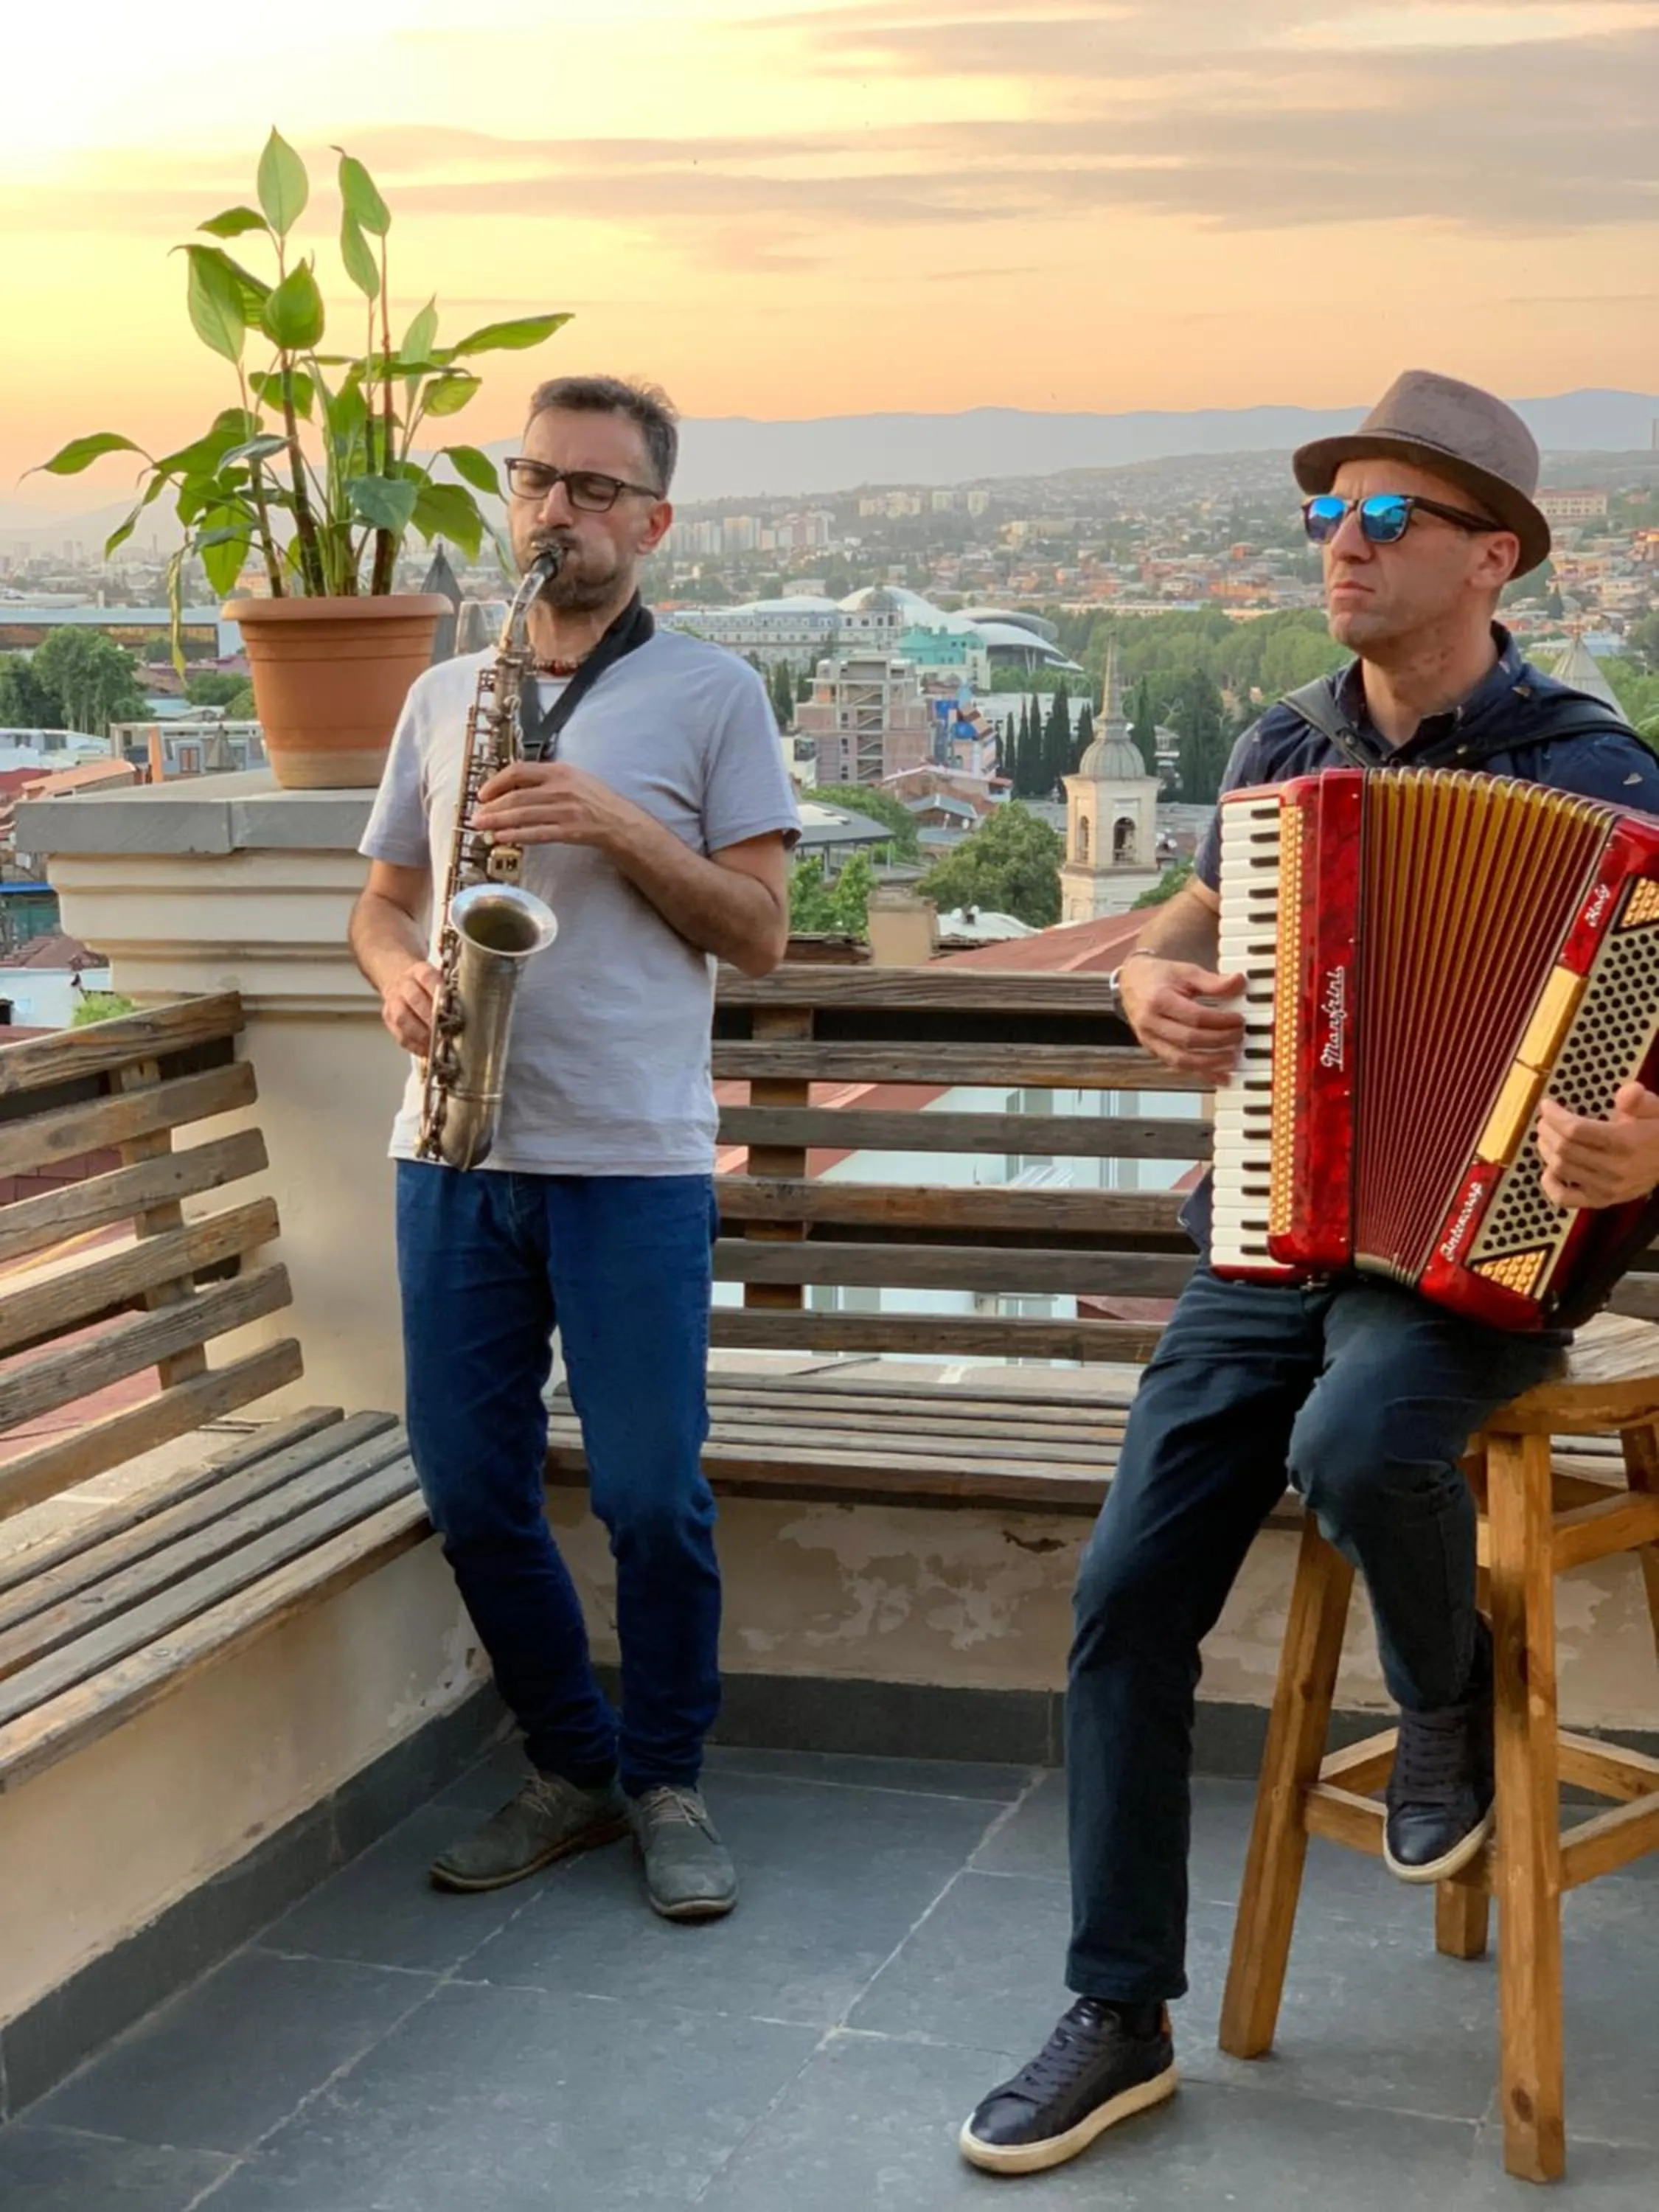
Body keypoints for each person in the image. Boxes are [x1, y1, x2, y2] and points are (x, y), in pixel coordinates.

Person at [961, 369, 1659, 2175]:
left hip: (1476, 1250)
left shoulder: (1598, 774)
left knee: (1361, 1447)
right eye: (1325, 519)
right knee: (1124, 1600)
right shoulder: (1283, 752)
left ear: (1491, 557)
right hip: (1275, 1223)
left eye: (1384, 520)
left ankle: (1443, 1704)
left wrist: (1647, 1149)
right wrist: (1145, 988)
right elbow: (1186, 930)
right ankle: (1118, 2016)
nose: (1341, 549)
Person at [349, 375, 799, 1921]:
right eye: (541, 482)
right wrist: (399, 970)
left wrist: (613, 825)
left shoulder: (716, 695)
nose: (561, 512)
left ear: (655, 523)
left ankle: (667, 1778)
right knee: (470, 1488)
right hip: (454, 1148)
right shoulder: (440, 695)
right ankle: (573, 1764)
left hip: (630, 1158)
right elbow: (382, 899)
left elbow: (762, 935)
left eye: (598, 491)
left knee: (653, 1494)